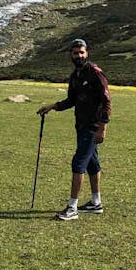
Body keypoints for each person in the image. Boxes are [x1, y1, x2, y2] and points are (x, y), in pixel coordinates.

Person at [37, 38, 111, 220]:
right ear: (70, 55)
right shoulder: (75, 75)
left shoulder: (95, 73)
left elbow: (106, 101)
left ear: (87, 53)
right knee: (92, 165)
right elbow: (72, 100)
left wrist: (102, 128)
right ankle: (96, 203)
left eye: (81, 52)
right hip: (81, 125)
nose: (78, 56)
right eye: (75, 53)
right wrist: (53, 106)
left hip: (93, 127)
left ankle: (72, 208)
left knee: (78, 164)